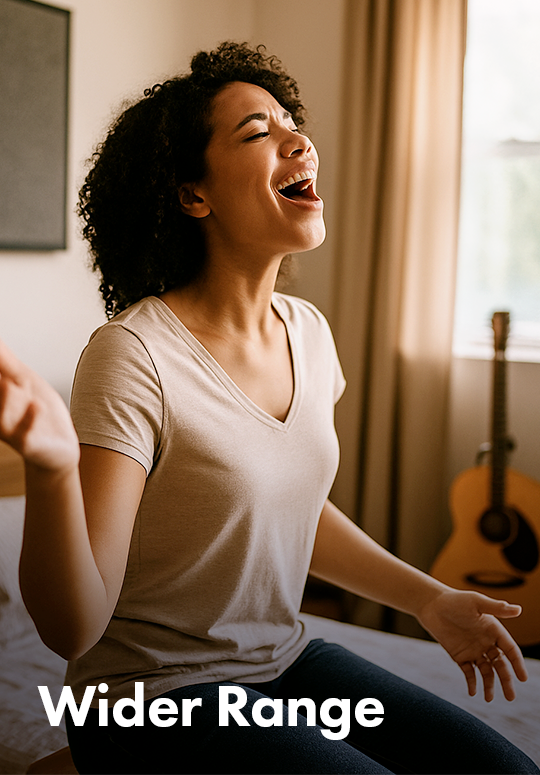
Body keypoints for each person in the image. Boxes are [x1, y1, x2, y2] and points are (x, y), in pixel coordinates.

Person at [0, 42, 538, 775]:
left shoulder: (309, 333)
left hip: (283, 664)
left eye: (292, 122)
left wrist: (429, 600)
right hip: (152, 697)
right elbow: (74, 626)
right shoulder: (134, 353)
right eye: (258, 132)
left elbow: (288, 509)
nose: (298, 139)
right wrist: (53, 468)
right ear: (195, 194)